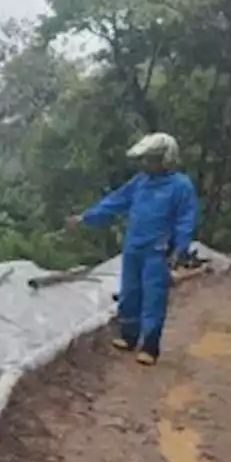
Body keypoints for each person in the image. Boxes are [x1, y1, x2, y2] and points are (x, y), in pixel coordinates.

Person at [68, 132, 198, 366]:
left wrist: (181, 247)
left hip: (158, 251)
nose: (146, 164)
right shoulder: (140, 182)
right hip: (133, 247)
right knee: (129, 292)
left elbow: (185, 219)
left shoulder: (181, 186)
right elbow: (115, 201)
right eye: (146, 159)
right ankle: (129, 336)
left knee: (153, 297)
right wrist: (86, 217)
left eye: (151, 159)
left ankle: (150, 345)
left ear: (165, 159)